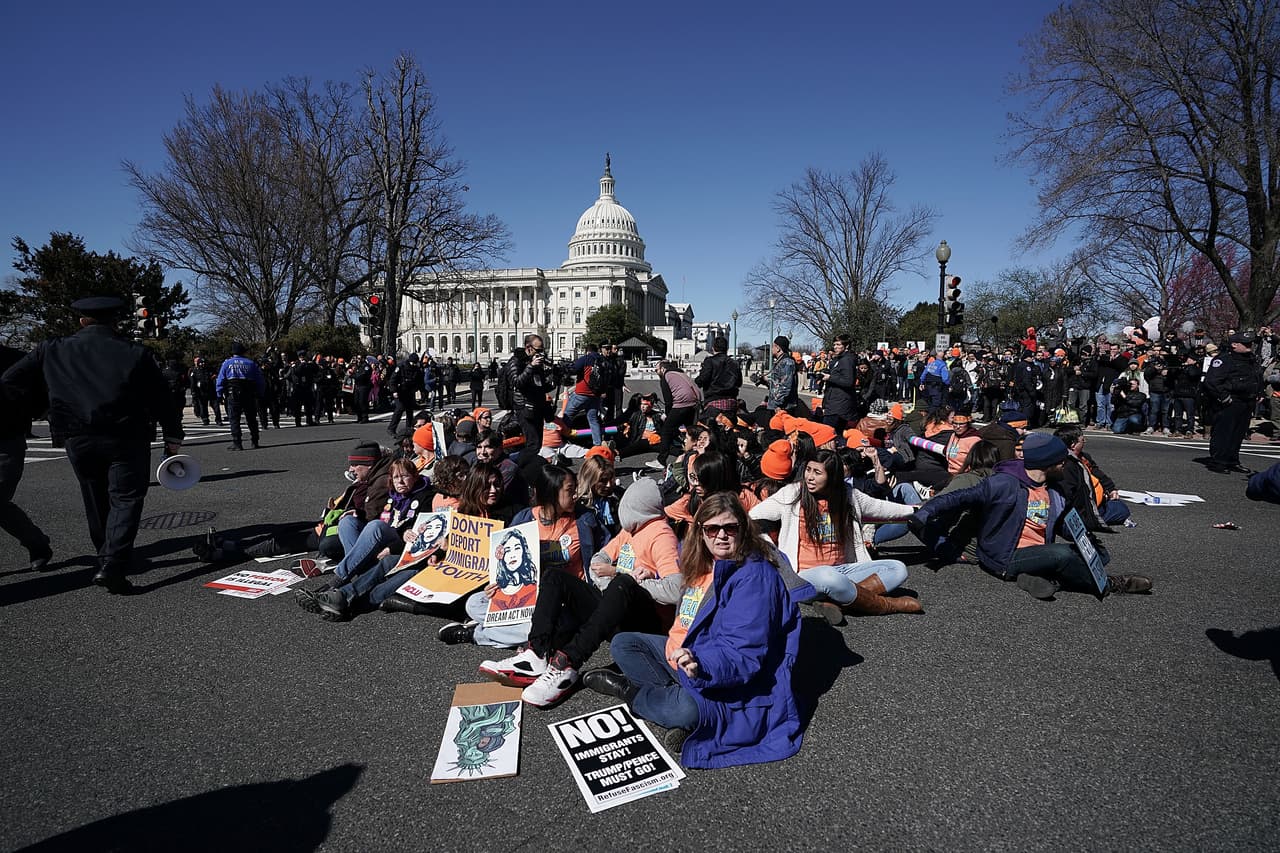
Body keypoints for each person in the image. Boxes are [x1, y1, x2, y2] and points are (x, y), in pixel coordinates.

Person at [582, 492, 808, 767]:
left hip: (718, 674)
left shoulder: (754, 579)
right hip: (683, 656)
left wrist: (700, 665)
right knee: (624, 643)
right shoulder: (700, 561)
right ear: (701, 532)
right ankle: (673, 705)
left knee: (686, 710)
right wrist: (645, 571)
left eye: (730, 528)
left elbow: (743, 652)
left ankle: (631, 693)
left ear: (743, 529)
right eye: (712, 529)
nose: (721, 536)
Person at [1, 297, 183, 593]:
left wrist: (47, 407)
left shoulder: (52, 348)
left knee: (94, 495)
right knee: (126, 498)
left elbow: (10, 379)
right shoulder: (135, 352)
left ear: (82, 320)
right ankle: (113, 561)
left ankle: (105, 554)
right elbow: (161, 397)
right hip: (126, 433)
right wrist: (173, 435)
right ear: (116, 322)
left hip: (76, 433)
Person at [479, 478, 681, 707]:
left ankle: (567, 664)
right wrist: (614, 575)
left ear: (637, 506)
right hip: (615, 605)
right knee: (555, 578)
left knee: (623, 583)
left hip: (644, 622)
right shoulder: (631, 530)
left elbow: (675, 589)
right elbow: (598, 561)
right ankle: (536, 652)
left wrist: (623, 576)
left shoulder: (661, 535)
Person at [908, 433, 1151, 600]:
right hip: (1005, 555)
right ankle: (1109, 584)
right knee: (1062, 555)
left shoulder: (1055, 488)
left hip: (1038, 549)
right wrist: (925, 513)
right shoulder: (1003, 484)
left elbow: (1062, 523)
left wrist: (1082, 537)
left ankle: (1039, 576)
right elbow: (958, 496)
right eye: (1062, 461)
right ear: (1048, 462)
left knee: (1098, 553)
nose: (1066, 465)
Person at [439, 464, 605, 647]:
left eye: (575, 490)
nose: (576, 496)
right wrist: (496, 585)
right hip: (527, 594)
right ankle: (507, 629)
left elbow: (607, 549)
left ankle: (476, 634)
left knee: (539, 628)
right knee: (474, 603)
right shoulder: (524, 518)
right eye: (570, 490)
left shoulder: (585, 520)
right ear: (551, 492)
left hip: (564, 599)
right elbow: (504, 561)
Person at [749, 449, 921, 619]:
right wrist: (772, 550)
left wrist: (916, 510)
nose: (809, 477)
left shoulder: (848, 494)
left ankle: (837, 602)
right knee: (829, 577)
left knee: (897, 569)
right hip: (805, 576)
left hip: (843, 569)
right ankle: (888, 605)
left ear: (832, 476)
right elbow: (753, 517)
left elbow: (881, 508)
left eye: (817, 473)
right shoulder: (793, 493)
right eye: (808, 470)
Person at [0, 343, 52, 571]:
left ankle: (37, 543)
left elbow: (44, 392)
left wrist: (22, 411)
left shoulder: (16, 359)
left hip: (6, 439)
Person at [1203, 331, 1264, 473]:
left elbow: (1257, 377)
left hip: (1247, 401)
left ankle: (1232, 460)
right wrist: (1224, 397)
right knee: (1224, 432)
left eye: (1250, 343)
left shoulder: (1251, 359)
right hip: (1231, 401)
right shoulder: (1224, 359)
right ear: (1234, 345)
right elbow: (1212, 381)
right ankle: (1218, 461)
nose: (1249, 345)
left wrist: (1259, 392)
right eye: (1245, 343)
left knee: (1238, 433)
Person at [501, 335, 555, 460]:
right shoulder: (516, 361)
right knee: (533, 444)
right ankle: (518, 465)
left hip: (537, 405)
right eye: (538, 350)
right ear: (528, 348)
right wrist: (531, 366)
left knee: (538, 443)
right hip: (524, 407)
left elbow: (540, 385)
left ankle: (528, 465)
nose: (541, 353)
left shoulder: (537, 362)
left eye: (543, 350)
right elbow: (516, 382)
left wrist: (553, 379)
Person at [648, 361, 701, 471]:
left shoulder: (666, 376)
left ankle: (661, 460)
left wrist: (667, 415)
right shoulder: (680, 373)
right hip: (695, 402)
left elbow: (668, 401)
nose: (656, 372)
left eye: (656, 370)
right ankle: (698, 455)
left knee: (666, 430)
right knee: (691, 431)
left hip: (682, 403)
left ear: (663, 369)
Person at [216, 342, 266, 451]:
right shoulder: (251, 363)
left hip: (233, 393)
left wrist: (219, 394)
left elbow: (220, 380)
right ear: (243, 351)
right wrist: (260, 393)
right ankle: (255, 441)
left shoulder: (227, 363)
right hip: (248, 393)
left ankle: (237, 443)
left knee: (234, 419)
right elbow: (260, 380)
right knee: (251, 418)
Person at [561, 342, 605, 447]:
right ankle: (597, 444)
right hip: (595, 395)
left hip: (582, 393)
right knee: (593, 419)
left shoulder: (586, 358)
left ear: (588, 351)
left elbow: (573, 369)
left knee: (567, 414)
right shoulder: (602, 360)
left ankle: (561, 438)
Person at [694, 336, 742, 415]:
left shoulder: (710, 361)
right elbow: (739, 383)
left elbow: (703, 379)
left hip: (713, 399)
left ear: (713, 348)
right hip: (731, 401)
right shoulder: (735, 363)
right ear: (726, 348)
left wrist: (697, 380)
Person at [819, 335, 857, 430]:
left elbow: (849, 381)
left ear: (846, 346)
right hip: (834, 400)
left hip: (839, 404)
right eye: (834, 344)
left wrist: (830, 377)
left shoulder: (847, 360)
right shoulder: (838, 359)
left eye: (838, 344)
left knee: (827, 432)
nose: (835, 347)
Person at [766, 335, 798, 412]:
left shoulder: (787, 362)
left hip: (784, 407)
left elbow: (785, 386)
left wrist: (777, 404)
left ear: (778, 348)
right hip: (779, 406)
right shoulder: (780, 361)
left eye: (773, 346)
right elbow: (777, 383)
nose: (771, 349)